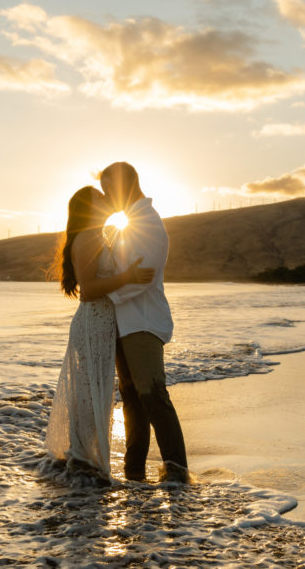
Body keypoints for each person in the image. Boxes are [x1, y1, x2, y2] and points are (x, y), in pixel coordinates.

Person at [44, 186, 153, 480]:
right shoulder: (88, 238)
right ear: (89, 209)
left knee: (95, 395)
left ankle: (85, 465)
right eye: (100, 198)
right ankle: (82, 462)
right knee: (90, 396)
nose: (107, 200)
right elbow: (89, 291)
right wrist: (127, 277)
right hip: (92, 323)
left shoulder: (98, 235)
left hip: (103, 326)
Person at [99, 162, 190, 483]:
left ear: (125, 185)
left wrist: (105, 295)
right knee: (133, 402)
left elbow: (143, 278)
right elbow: (125, 273)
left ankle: (177, 473)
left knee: (153, 397)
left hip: (143, 323)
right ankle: (134, 473)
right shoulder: (128, 225)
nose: (107, 196)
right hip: (123, 325)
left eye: (110, 189)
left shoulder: (148, 223)